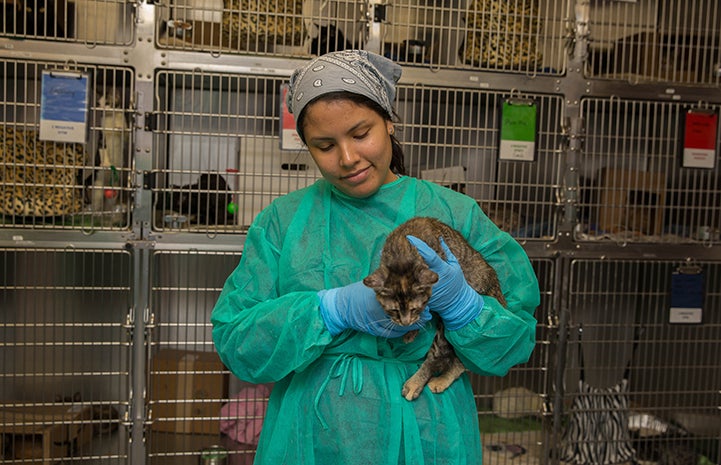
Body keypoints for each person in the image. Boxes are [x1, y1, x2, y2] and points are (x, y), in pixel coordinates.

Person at [211, 50, 540, 464]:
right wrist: (328, 311)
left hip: (429, 433)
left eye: (361, 133)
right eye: (325, 145)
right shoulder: (283, 222)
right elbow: (238, 342)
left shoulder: (454, 213)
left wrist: (465, 308)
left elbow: (513, 344)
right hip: (314, 435)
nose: (347, 158)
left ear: (388, 120)